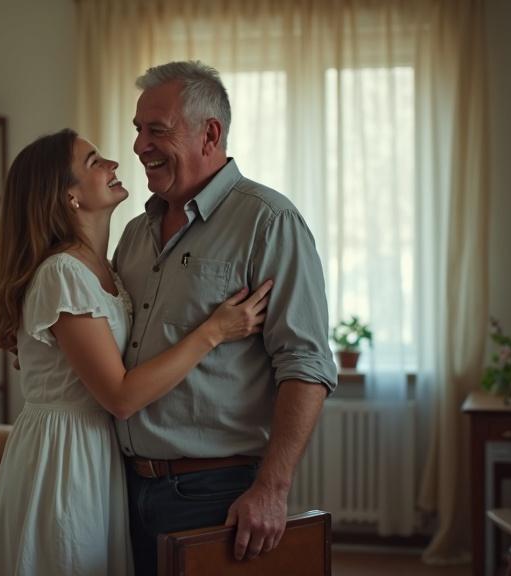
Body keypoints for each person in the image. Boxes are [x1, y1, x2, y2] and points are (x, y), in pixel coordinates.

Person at [0, 128, 273, 576]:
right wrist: (213, 331)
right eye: (94, 162)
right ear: (69, 196)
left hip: (99, 452)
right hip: (65, 456)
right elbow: (119, 396)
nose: (113, 164)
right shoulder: (62, 273)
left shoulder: (106, 270)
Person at [116, 60, 338, 575]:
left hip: (212, 494)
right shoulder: (132, 235)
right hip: (119, 486)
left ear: (210, 134)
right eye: (138, 129)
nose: (139, 146)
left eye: (157, 130)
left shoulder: (269, 221)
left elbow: (305, 364)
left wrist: (272, 487)